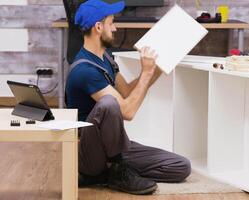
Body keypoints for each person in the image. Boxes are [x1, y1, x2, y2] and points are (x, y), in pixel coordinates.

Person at [65, 0, 191, 195]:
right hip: (89, 153)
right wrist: (147, 73)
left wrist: (157, 67)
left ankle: (110, 172)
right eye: (111, 23)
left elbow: (127, 92)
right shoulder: (85, 69)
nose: (115, 28)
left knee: (180, 166)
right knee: (108, 104)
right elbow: (127, 110)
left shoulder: (105, 58)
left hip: (112, 146)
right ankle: (111, 170)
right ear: (99, 27)